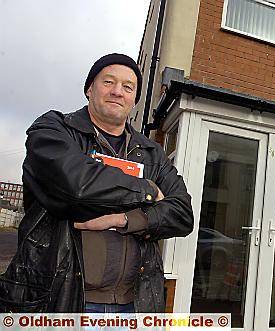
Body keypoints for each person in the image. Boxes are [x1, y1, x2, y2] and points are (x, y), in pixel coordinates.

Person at [0, 53, 194, 313]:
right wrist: (147, 190)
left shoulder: (152, 153)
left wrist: (123, 220)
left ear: (134, 100)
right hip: (59, 301)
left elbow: (182, 214)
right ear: (89, 89)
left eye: (128, 87)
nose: (117, 92)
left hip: (133, 306)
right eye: (108, 82)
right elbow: (75, 184)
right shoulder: (53, 129)